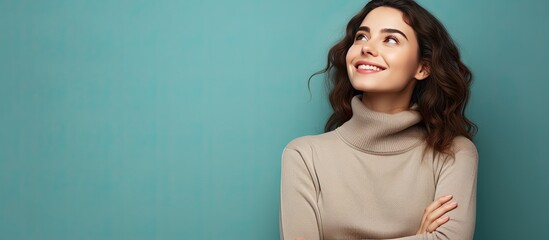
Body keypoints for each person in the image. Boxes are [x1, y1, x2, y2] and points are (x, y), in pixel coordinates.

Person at [279, 0, 478, 239]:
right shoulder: (304, 156)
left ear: (423, 68)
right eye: (361, 37)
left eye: (391, 39)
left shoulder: (454, 153)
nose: (366, 48)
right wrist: (420, 236)